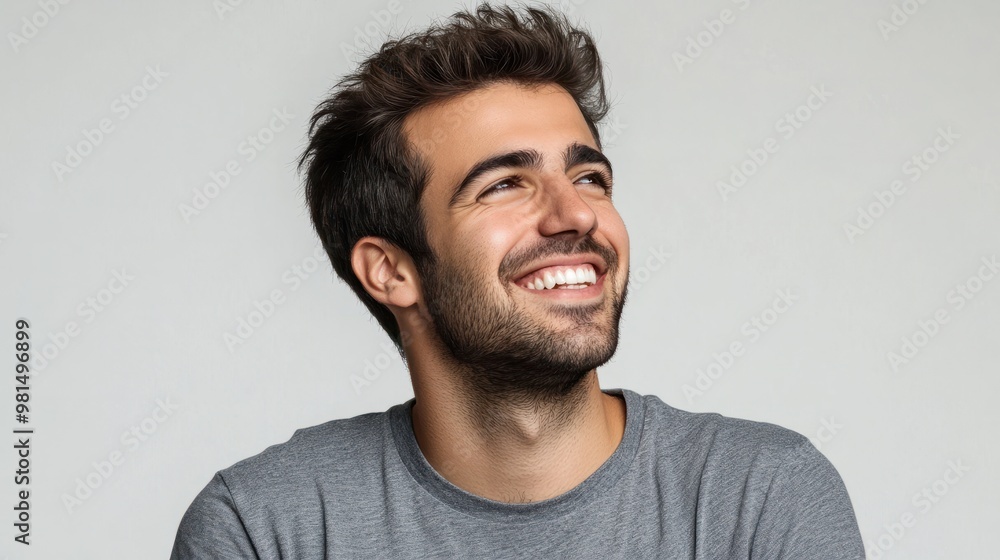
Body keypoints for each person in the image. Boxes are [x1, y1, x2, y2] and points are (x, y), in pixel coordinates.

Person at [170, 4, 865, 558]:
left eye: (589, 177)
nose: (576, 215)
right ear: (391, 271)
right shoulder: (267, 530)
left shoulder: (763, 497)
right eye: (505, 184)